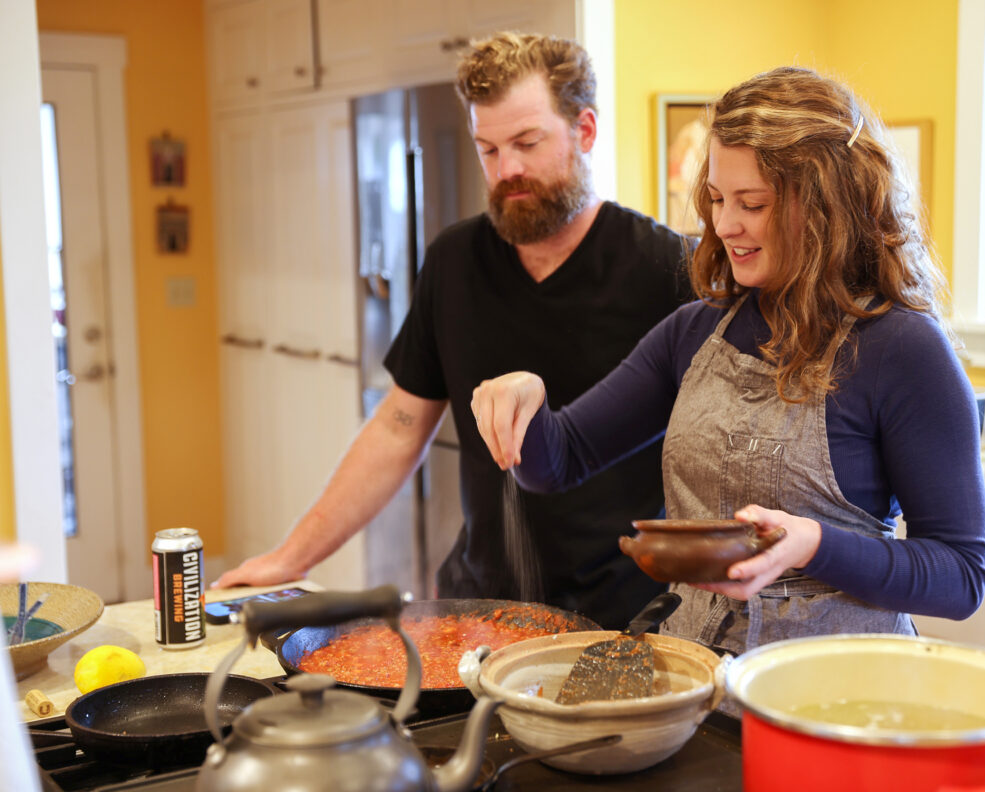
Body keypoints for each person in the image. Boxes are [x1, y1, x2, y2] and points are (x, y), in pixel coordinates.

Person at [471, 66, 985, 656]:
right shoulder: (693, 333)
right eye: (717, 198)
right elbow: (557, 461)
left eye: (753, 203)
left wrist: (812, 543)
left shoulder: (902, 348)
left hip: (838, 695)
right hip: (698, 687)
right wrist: (527, 403)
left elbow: (960, 576)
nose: (724, 224)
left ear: (827, 208)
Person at [213, 32, 693, 630]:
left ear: (585, 131)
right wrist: (290, 557)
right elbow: (398, 427)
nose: (507, 169)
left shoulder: (668, 268)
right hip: (480, 605)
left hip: (624, 615)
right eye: (487, 149)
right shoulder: (454, 259)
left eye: (527, 142)